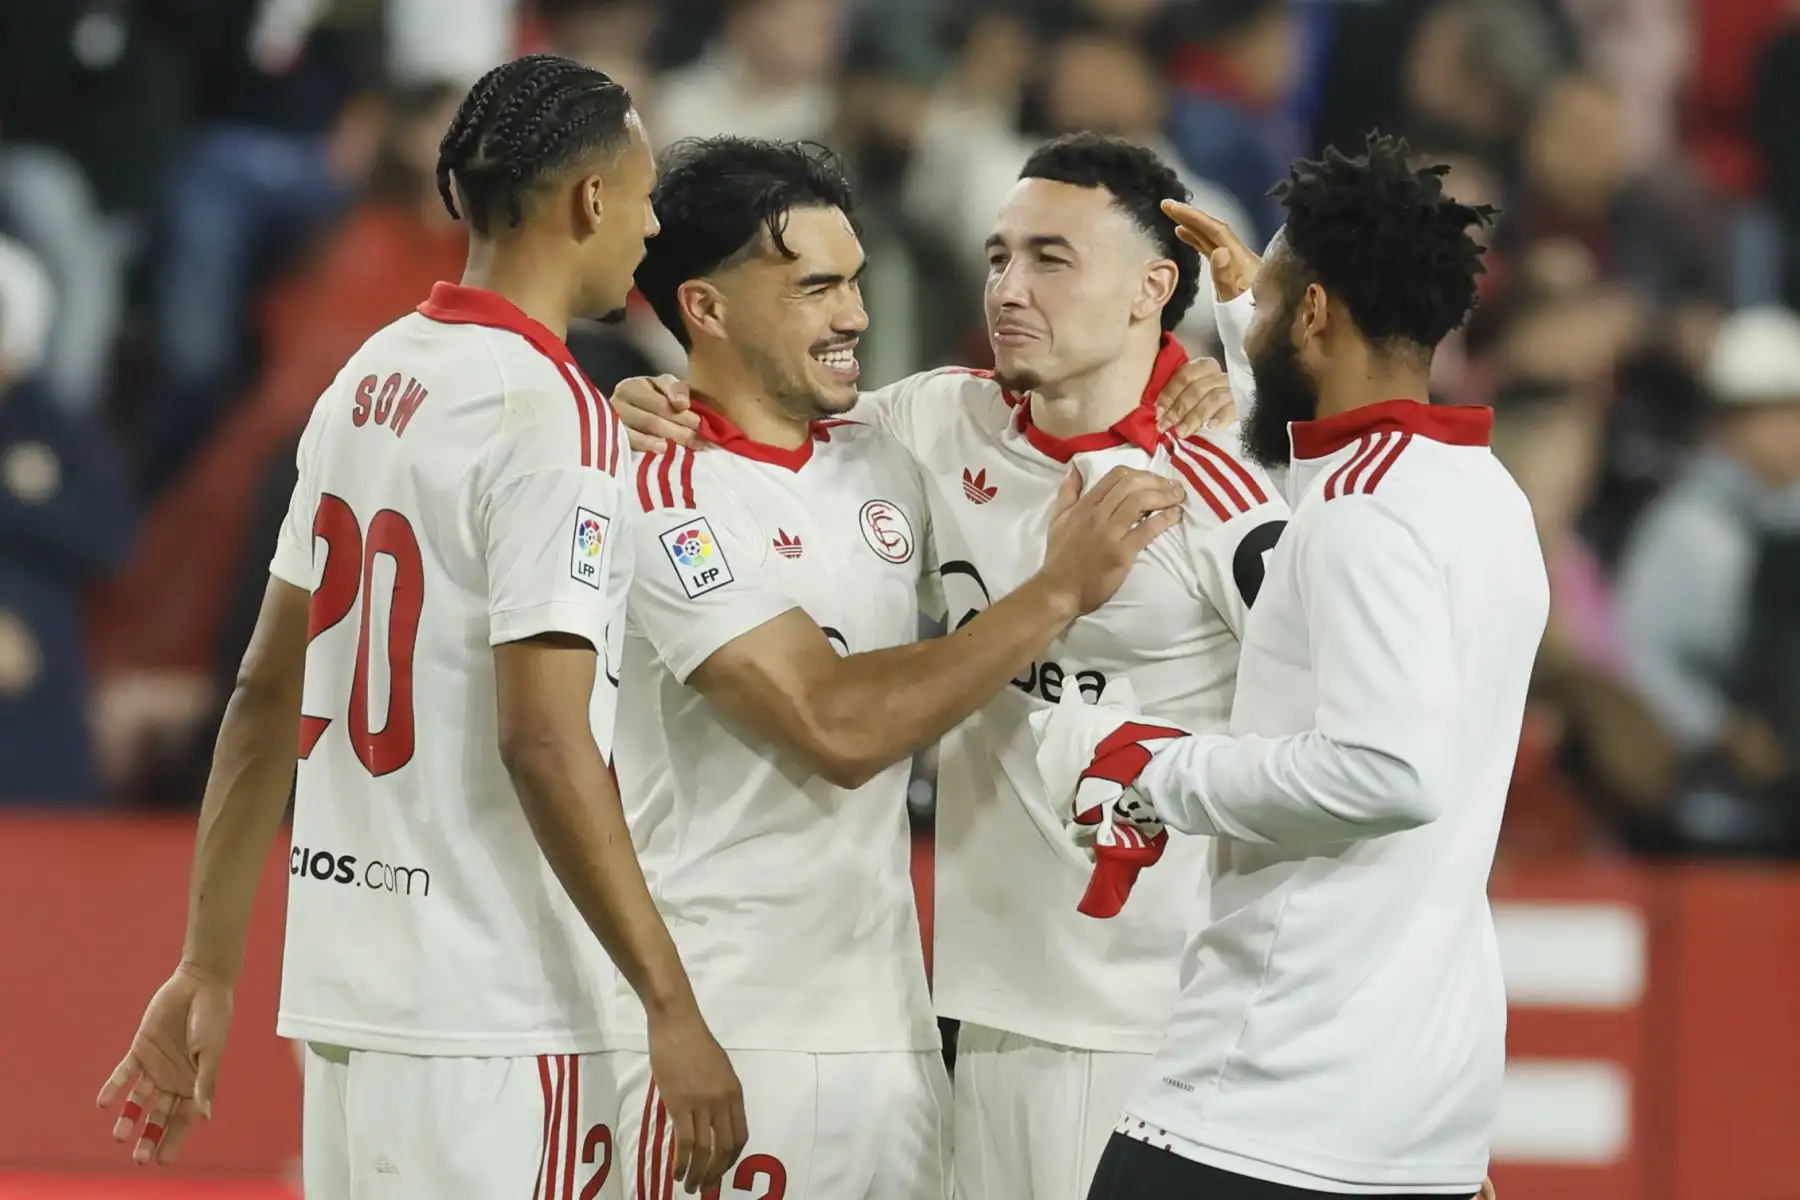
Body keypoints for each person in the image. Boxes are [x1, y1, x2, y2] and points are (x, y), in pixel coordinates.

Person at [95, 54, 747, 1199]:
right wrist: (670, 1005)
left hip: (350, 1002)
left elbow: (259, 692)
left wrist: (206, 963)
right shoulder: (557, 418)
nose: (649, 230)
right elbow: (544, 740)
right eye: (643, 198)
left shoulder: (368, 376)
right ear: (590, 201)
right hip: (499, 1014)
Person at [612, 131, 1286, 1200]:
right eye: (997, 257)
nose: (1008, 290)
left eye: (1050, 260)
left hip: (1167, 1021)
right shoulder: (923, 429)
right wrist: (638, 406)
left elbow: (1368, 730)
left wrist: (1245, 381)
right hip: (965, 1019)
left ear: (1155, 287)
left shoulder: (1231, 473)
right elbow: (764, 417)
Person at [1030, 134, 1540, 1200]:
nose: (1245, 325)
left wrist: (1154, 771)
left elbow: (1389, 770)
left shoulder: (1366, 515)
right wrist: (1242, 312)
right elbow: (1323, 526)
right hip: (1417, 1116)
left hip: (1271, 1100)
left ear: (1315, 315)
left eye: (1268, 306)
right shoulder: (1480, 491)